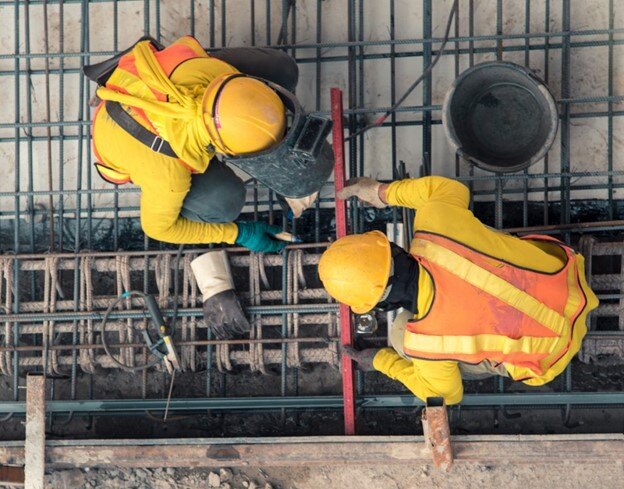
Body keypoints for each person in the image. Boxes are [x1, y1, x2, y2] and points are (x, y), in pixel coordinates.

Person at [318, 176, 598, 404]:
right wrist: (380, 191)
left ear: (381, 305)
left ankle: (492, 352)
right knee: (465, 226)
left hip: (550, 355)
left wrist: (381, 361)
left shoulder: (425, 341)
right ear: (392, 247)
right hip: (568, 280)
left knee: (401, 336)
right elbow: (449, 188)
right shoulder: (435, 223)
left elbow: (447, 396)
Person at [85, 35, 332, 252]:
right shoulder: (168, 176)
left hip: (145, 83)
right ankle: (181, 200)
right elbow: (158, 230)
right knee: (225, 203)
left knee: (282, 70)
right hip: (130, 142)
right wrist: (238, 233)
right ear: (223, 149)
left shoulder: (211, 73)